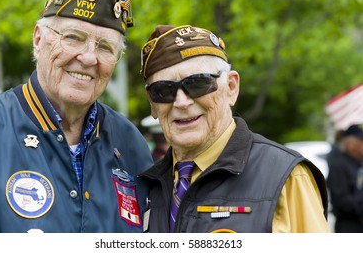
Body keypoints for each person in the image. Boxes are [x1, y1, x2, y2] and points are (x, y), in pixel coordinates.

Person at [0, 0, 154, 233]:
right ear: (38, 39)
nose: (89, 57)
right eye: (73, 38)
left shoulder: (130, 144)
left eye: (105, 47)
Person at [139, 24, 329, 233]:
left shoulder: (286, 177)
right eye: (163, 90)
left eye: (197, 84)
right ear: (152, 104)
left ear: (231, 87)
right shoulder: (144, 185)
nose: (181, 102)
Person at [327, 123, 363, 232]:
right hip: (349, 226)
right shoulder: (338, 165)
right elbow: (342, 202)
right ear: (351, 144)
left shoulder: (359, 162)